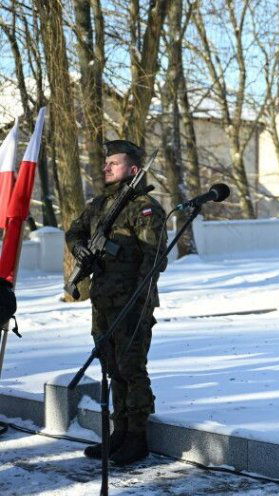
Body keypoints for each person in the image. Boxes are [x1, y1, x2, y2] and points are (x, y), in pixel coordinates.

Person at [65, 140, 166, 466]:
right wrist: (80, 248)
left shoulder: (145, 208)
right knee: (110, 366)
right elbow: (74, 230)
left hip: (132, 301)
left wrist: (141, 301)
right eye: (106, 162)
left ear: (133, 169)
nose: (106, 167)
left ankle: (137, 436)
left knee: (131, 368)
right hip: (103, 299)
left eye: (115, 163)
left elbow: (154, 260)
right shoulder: (99, 205)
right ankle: (118, 432)